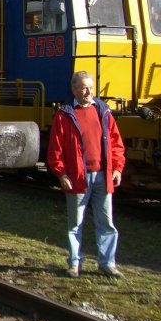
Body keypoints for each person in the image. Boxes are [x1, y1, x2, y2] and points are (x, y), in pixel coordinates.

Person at [46, 70, 126, 279]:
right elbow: (56, 149)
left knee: (106, 223)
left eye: (91, 86)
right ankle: (74, 264)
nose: (89, 91)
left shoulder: (104, 112)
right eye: (84, 87)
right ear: (74, 90)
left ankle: (107, 264)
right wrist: (61, 173)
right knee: (75, 224)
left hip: (102, 176)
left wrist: (117, 168)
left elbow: (116, 144)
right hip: (77, 179)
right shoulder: (64, 115)